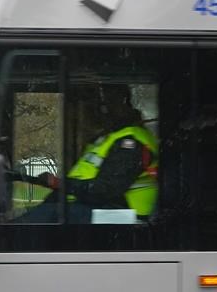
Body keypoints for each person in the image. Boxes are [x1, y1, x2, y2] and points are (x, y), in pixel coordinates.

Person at [32, 84, 159, 221]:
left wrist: (61, 184)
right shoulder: (106, 138)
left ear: (123, 102)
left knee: (49, 216)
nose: (100, 111)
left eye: (104, 104)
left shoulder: (131, 141)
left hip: (124, 215)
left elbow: (105, 190)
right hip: (94, 206)